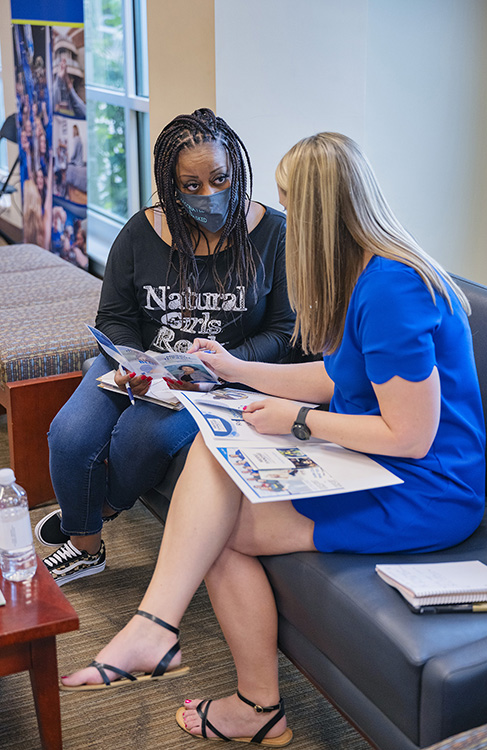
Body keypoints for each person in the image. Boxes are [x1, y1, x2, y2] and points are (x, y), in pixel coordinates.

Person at [59, 132, 485, 747]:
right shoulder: (367, 271)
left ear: (312, 210)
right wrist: (235, 370)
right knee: (214, 453)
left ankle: (247, 699)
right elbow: (335, 376)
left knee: (217, 533)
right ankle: (157, 628)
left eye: (286, 196)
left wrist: (298, 421)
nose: (273, 208)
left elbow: (412, 436)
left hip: (421, 488)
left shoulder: (394, 288)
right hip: (379, 461)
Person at [36, 108, 295, 588]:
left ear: (236, 169)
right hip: (139, 364)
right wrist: (130, 362)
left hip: (218, 377)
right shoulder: (140, 233)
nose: (209, 195)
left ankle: (95, 514)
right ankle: (87, 548)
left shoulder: (274, 234)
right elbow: (115, 318)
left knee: (141, 437)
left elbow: (284, 329)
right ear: (170, 186)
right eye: (191, 185)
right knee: (69, 434)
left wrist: (231, 363)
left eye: (219, 179)